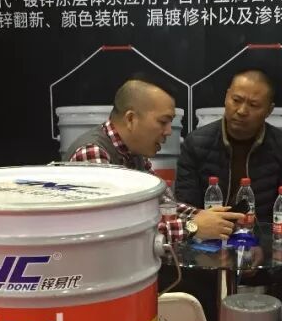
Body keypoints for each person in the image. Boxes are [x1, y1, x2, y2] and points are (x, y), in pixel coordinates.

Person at [65, 79, 243, 243]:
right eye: (163, 122)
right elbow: (117, 231)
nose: (168, 131)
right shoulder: (93, 154)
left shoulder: (134, 152)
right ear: (131, 119)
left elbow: (165, 204)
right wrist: (192, 227)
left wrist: (209, 218)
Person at [175, 69, 282, 228]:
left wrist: (270, 240)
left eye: (253, 105)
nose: (242, 111)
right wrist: (198, 232)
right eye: (236, 100)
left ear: (269, 110)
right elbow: (185, 209)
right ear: (226, 97)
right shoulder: (196, 143)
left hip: (262, 238)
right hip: (208, 237)